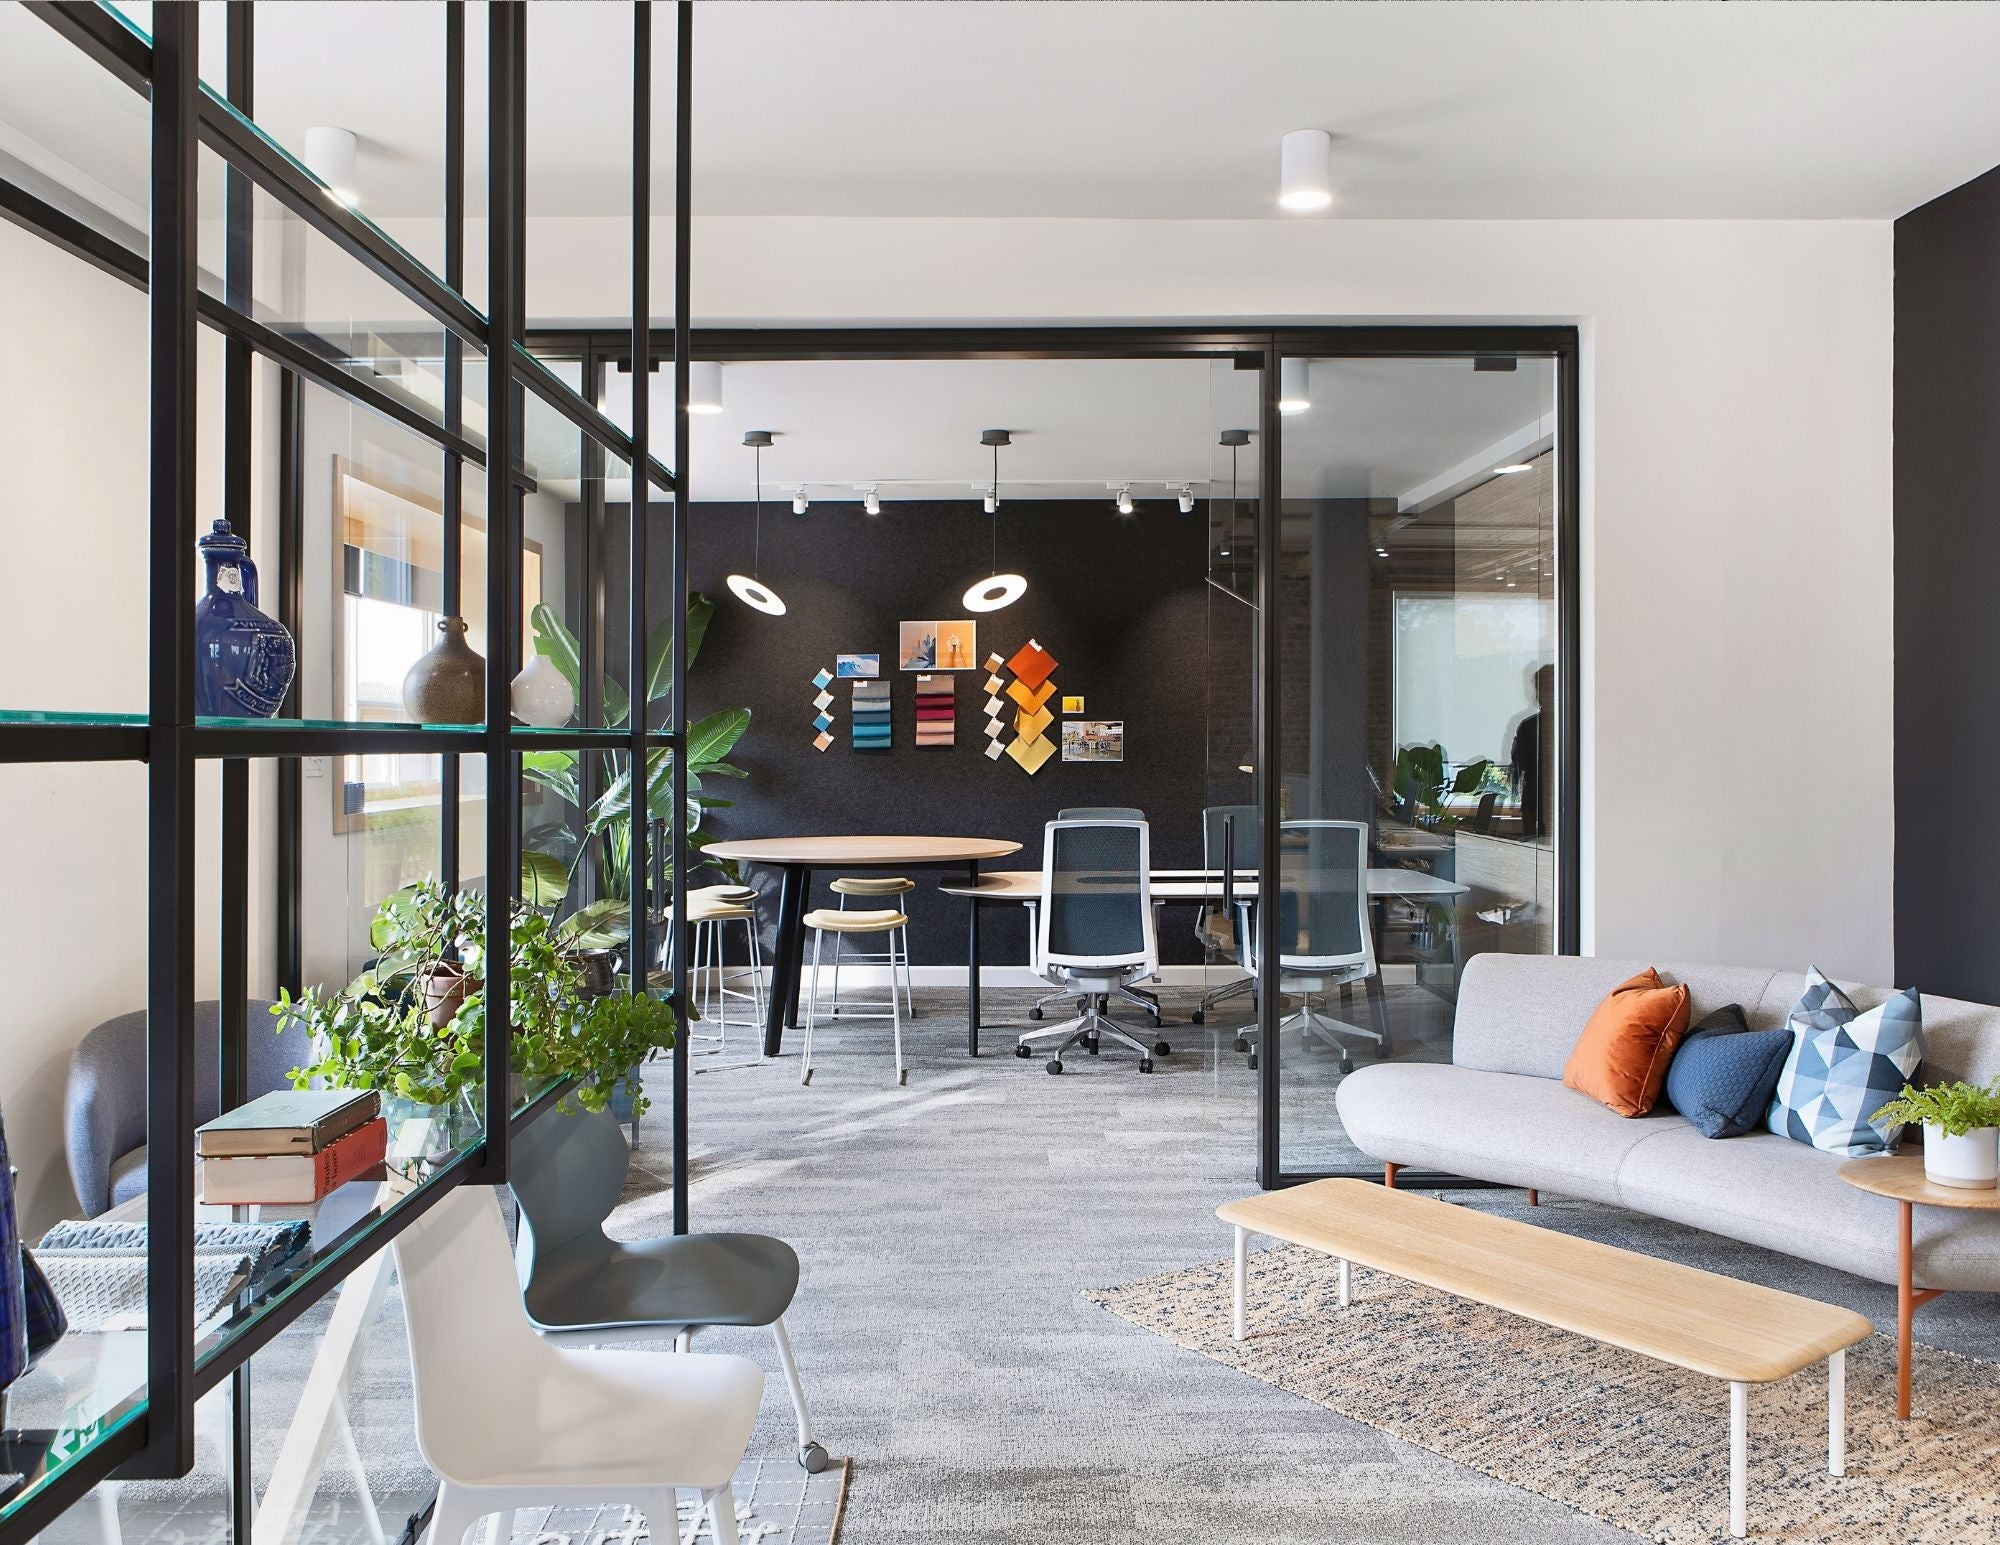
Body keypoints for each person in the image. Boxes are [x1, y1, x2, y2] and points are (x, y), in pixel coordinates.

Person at [1509, 663, 1554, 840]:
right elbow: (1519, 767)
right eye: (1542, 688)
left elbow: (1519, 766)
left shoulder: (1577, 728)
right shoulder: (1529, 727)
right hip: (1535, 805)